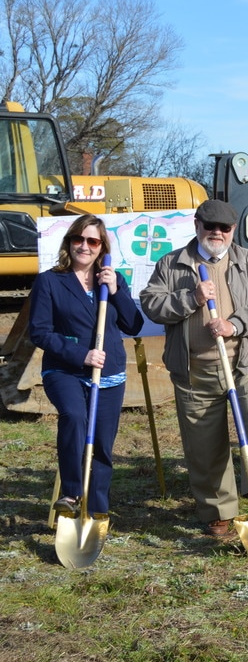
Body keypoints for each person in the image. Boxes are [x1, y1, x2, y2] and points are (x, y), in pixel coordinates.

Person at [141, 200, 248, 538]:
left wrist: (234, 325)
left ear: (234, 231)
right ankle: (218, 510)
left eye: (224, 228)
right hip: (194, 370)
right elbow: (152, 303)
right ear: (197, 225)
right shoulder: (172, 264)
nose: (216, 233)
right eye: (210, 226)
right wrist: (191, 298)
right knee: (203, 442)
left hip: (244, 362)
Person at [29, 215, 144, 518]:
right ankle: (71, 494)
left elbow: (133, 324)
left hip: (109, 374)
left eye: (92, 241)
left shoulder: (113, 279)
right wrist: (81, 354)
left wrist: (116, 291)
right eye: (78, 239)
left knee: (103, 444)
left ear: (101, 247)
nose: (84, 246)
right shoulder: (50, 280)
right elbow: (40, 331)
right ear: (69, 242)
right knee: (75, 416)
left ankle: (96, 511)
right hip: (65, 370)